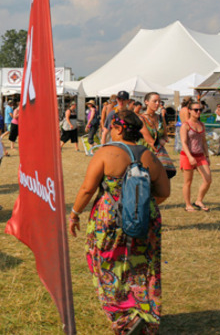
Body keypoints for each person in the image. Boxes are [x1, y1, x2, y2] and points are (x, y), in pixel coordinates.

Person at [70, 110, 170, 334]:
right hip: (145, 220)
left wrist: (75, 214)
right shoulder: (149, 156)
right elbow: (164, 192)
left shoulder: (106, 153)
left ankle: (125, 318)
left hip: (110, 218)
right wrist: (139, 206)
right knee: (142, 267)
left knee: (107, 264)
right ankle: (143, 314)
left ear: (118, 128)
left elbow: (87, 189)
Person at [180, 100, 212, 212]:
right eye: (196, 110)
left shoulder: (201, 125)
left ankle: (199, 200)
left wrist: (207, 156)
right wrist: (190, 157)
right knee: (188, 181)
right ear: (189, 111)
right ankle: (188, 205)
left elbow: (204, 142)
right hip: (187, 155)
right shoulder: (186, 125)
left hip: (200, 155)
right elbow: (184, 143)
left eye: (200, 110)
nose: (198, 112)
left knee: (208, 179)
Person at [138, 92, 177, 179]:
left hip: (159, 153)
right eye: (155, 101)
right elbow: (150, 141)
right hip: (145, 154)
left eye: (159, 101)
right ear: (146, 102)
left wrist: (164, 140)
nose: (157, 104)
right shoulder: (141, 119)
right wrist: (160, 143)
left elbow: (165, 135)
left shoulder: (160, 118)